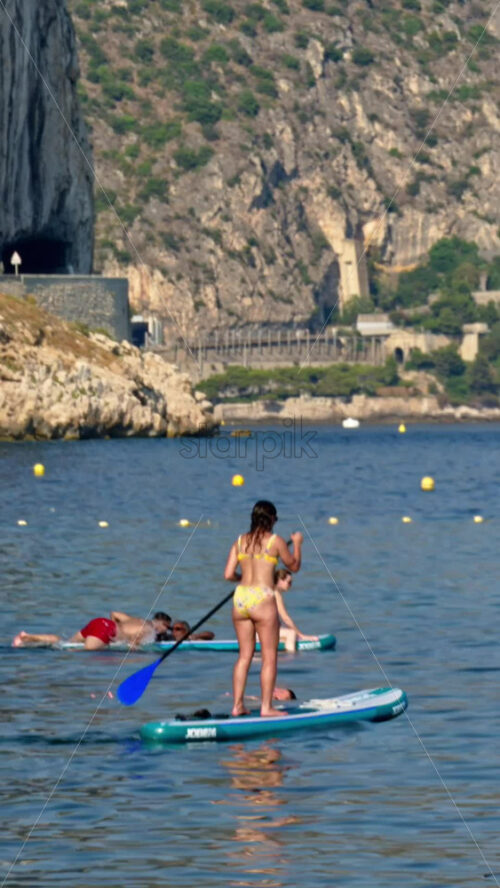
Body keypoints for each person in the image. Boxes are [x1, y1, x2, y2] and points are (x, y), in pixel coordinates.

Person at [224, 499, 302, 718]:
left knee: (244, 656)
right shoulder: (275, 541)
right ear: (271, 520)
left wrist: (244, 579)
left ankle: (237, 705)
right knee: (269, 657)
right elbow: (294, 566)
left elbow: (229, 575)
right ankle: (267, 707)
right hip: (262, 598)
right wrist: (296, 543)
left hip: (241, 598)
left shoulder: (239, 541)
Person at [12, 611, 171, 650]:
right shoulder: (149, 630)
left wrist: (118, 631)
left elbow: (114, 613)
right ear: (161, 624)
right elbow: (133, 647)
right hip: (105, 630)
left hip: (100, 621)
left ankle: (26, 637)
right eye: (167, 627)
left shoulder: (136, 619)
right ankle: (26, 639)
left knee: (65, 644)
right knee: (79, 652)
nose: (165, 631)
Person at [273, 569, 319, 652]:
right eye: (289, 582)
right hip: (262, 632)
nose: (290, 585)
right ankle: (291, 661)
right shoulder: (276, 594)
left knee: (287, 634)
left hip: (262, 630)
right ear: (280, 580)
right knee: (291, 634)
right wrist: (301, 635)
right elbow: (285, 618)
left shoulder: (272, 592)